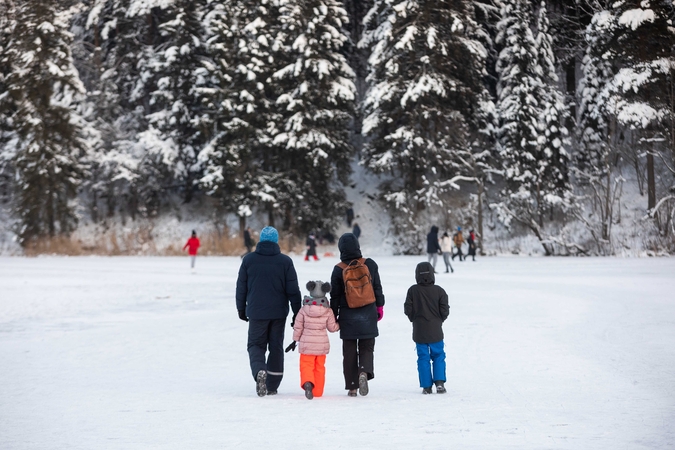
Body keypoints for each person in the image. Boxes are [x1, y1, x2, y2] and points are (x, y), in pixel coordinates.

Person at [236, 226, 301, 397]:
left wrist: (241, 308)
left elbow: (241, 287)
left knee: (256, 345)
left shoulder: (249, 260)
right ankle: (272, 385)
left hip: (257, 312)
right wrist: (297, 313)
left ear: (261, 240)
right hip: (279, 313)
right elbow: (293, 290)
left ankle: (259, 372)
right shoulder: (285, 262)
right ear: (276, 241)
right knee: (276, 347)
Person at [330, 233, 385, 397]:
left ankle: (352, 386)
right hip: (368, 313)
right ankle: (364, 372)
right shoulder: (370, 264)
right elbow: (377, 288)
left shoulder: (338, 269)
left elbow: (335, 296)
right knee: (367, 347)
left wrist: (333, 315)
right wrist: (379, 307)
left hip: (348, 315)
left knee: (349, 351)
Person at [285, 280, 339, 400]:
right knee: (320, 367)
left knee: (306, 365)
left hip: (306, 345)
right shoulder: (328, 311)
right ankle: (318, 391)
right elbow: (332, 328)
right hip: (321, 346)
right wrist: (339, 325)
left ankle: (308, 382)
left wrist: (295, 340)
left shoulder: (304, 309)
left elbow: (298, 326)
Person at [404, 261, 449, 394]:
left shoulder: (413, 290)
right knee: (438, 355)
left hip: (419, 330)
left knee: (423, 357)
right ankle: (440, 382)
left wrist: (414, 319)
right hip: (436, 330)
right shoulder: (439, 291)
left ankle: (426, 386)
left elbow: (408, 309)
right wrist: (439, 320)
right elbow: (445, 310)